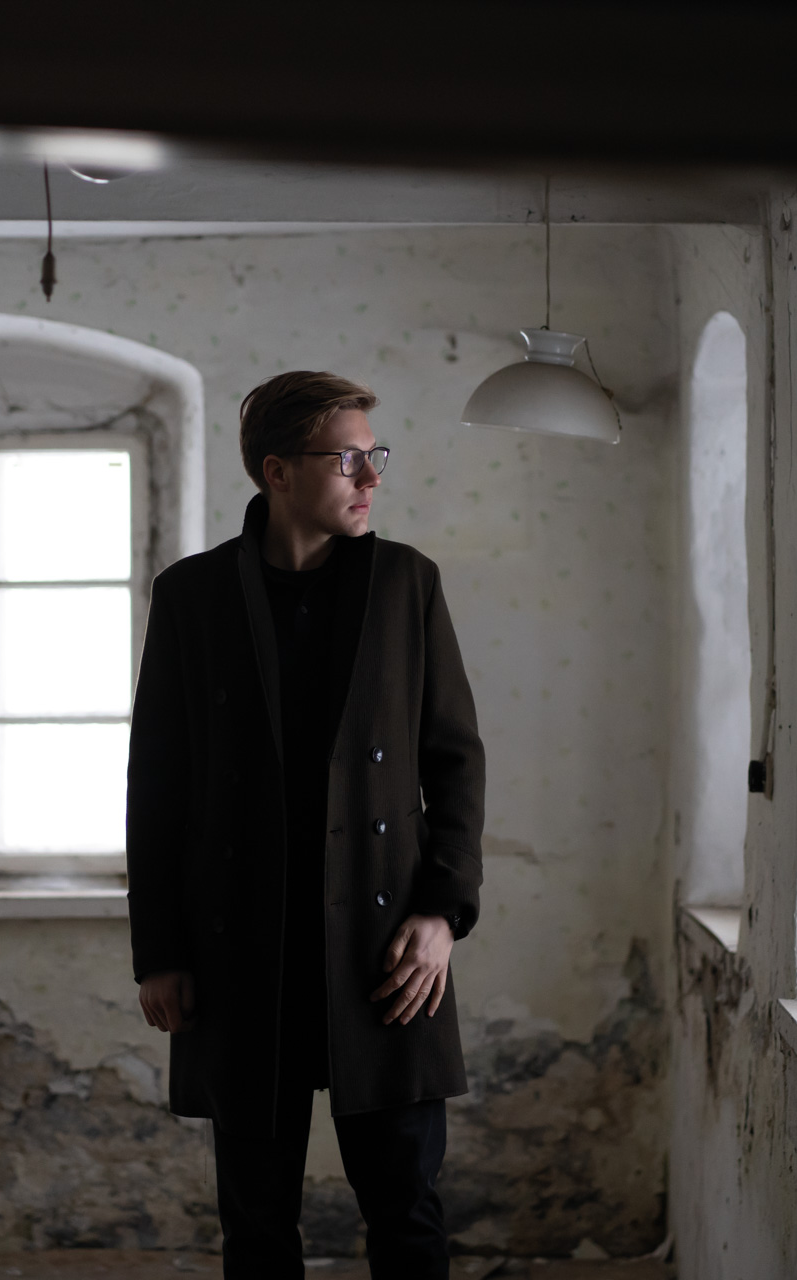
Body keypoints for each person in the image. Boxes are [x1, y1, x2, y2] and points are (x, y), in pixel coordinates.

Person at [127, 370, 486, 1278]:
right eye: (347, 459)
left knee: (406, 1209)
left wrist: (442, 914)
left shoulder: (406, 583)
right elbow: (158, 783)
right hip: (242, 944)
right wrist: (160, 949)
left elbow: (454, 760)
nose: (372, 478)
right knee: (256, 1223)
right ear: (278, 472)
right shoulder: (192, 595)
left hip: (388, 945)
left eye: (375, 456)